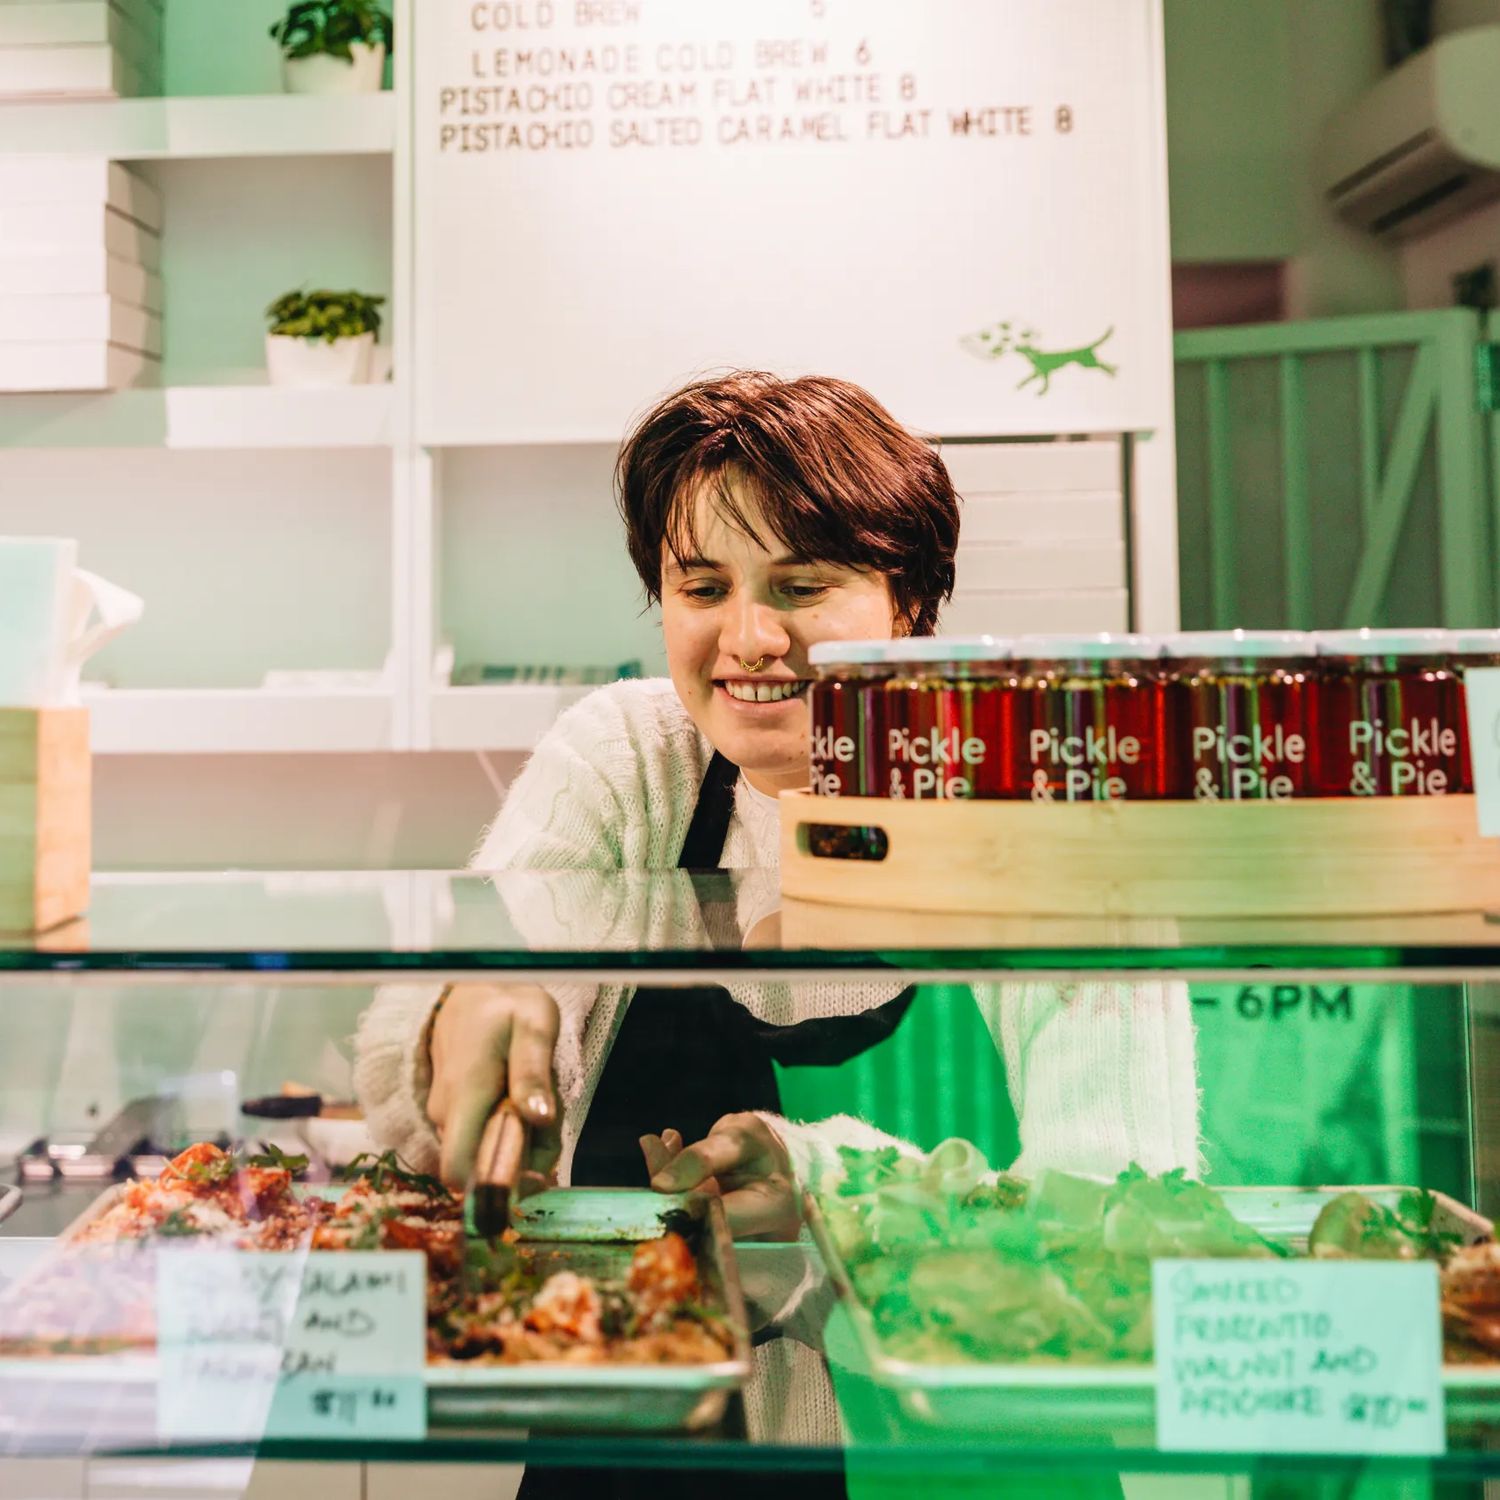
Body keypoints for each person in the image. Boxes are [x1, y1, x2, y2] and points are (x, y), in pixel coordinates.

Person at [353, 371, 1198, 1488]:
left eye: (802, 585)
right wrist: (456, 1025)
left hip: (973, 1452)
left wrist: (830, 1191)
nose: (749, 638)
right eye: (702, 587)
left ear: (910, 603)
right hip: (646, 1440)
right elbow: (455, 1031)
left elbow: (1121, 1222)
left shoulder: (1042, 798)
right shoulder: (630, 759)